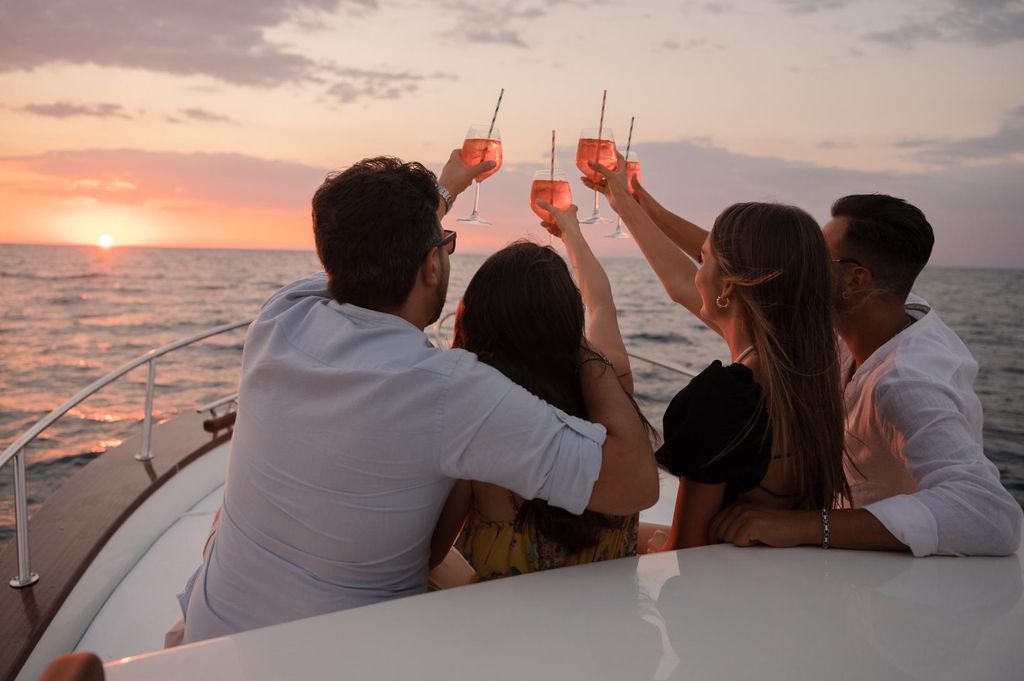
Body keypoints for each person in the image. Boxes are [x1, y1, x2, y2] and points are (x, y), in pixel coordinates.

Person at [180, 152, 659, 643]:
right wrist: (577, 344)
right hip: (341, 658)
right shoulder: (451, 391)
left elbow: (366, 252)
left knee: (223, 519)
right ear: (432, 265)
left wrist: (444, 192)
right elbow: (638, 485)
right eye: (444, 244)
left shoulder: (281, 315)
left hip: (212, 638)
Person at [600, 171, 1022, 556]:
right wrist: (641, 209)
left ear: (856, 279)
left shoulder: (907, 380)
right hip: (807, 556)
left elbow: (991, 516)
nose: (797, 264)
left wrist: (807, 525)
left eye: (817, 258)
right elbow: (743, 266)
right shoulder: (848, 327)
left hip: (870, 582)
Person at [584, 155, 849, 549]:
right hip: (780, 567)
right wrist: (624, 202)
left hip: (719, 577)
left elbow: (686, 550)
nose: (696, 271)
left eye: (703, 258)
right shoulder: (814, 369)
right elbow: (679, 283)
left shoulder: (725, 397)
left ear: (728, 286)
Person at [430, 206, 649, 580]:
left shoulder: (477, 431)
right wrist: (571, 231)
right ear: (568, 318)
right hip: (617, 614)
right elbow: (601, 303)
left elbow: (431, 554)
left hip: (508, 619)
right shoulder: (611, 385)